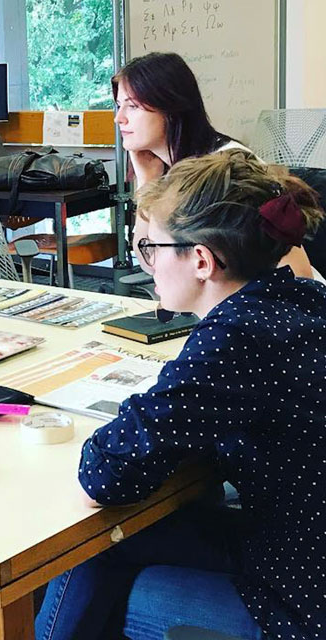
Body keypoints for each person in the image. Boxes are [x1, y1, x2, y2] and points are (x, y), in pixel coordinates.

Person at [35, 150, 326, 640]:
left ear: (201, 260)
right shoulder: (302, 297)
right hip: (299, 544)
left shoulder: (234, 338)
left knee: (92, 550)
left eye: (150, 248)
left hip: (299, 602)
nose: (145, 263)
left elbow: (102, 476)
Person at [113, 51, 317, 278]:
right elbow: (150, 263)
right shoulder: (168, 170)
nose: (119, 118)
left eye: (132, 106)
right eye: (119, 105)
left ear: (171, 108)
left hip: (276, 305)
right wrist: (146, 181)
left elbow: (297, 270)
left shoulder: (230, 169)